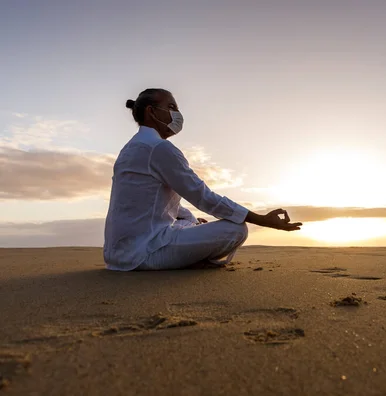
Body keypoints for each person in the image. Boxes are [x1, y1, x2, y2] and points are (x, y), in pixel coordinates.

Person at [103, 88, 301, 271]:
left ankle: (191, 243)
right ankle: (194, 260)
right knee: (236, 229)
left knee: (188, 217)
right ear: (151, 112)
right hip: (143, 254)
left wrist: (191, 223)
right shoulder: (159, 148)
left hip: (118, 255)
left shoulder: (129, 149)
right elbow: (203, 196)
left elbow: (143, 201)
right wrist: (262, 219)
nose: (177, 114)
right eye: (171, 107)